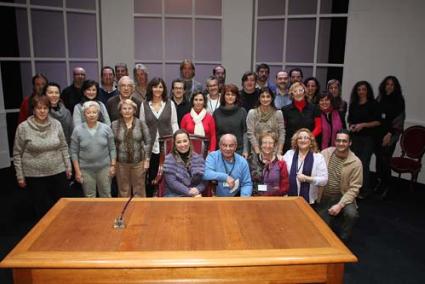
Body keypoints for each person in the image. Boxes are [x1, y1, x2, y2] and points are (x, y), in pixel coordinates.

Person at [13, 95, 71, 219]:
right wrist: (20, 176)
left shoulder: (56, 124)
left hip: (58, 171)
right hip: (35, 175)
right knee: (42, 211)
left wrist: (68, 167)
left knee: (63, 208)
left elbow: (64, 147)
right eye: (39, 108)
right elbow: (17, 153)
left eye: (45, 108)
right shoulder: (23, 127)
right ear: (33, 110)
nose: (42, 111)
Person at [317, 129, 362, 241]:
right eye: (338, 140)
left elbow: (354, 189)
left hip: (343, 196)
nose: (341, 143)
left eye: (344, 141)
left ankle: (344, 236)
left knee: (351, 214)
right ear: (335, 141)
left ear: (350, 143)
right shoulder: (325, 153)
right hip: (325, 195)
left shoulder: (356, 163)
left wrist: (340, 205)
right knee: (322, 232)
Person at [140, 77, 179, 197]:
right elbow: (142, 125)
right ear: (151, 88)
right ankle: (152, 201)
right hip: (150, 147)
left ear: (164, 89)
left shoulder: (170, 103)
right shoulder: (144, 104)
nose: (158, 89)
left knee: (168, 174)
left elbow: (174, 123)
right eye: (155, 86)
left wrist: (176, 142)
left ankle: (166, 197)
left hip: (167, 147)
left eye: (160, 87)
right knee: (152, 176)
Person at [70, 101, 116, 198]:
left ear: (98, 114)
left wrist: (113, 166)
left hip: (104, 168)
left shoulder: (106, 128)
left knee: (106, 195)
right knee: (89, 196)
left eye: (94, 112)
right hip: (85, 170)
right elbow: (73, 152)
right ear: (84, 114)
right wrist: (77, 171)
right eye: (88, 112)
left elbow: (112, 148)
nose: (91, 115)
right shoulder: (77, 130)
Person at [348, 80, 381, 199]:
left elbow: (378, 122)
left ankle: (365, 190)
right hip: (355, 138)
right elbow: (350, 120)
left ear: (368, 91)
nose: (361, 92)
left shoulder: (373, 104)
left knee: (363, 163)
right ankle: (354, 189)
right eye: (359, 89)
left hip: (368, 138)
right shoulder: (354, 104)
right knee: (354, 163)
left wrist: (363, 125)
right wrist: (352, 126)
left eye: (364, 89)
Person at [111, 99, 151, 197]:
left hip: (139, 162)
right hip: (121, 163)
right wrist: (113, 163)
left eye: (130, 108)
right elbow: (112, 145)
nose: (127, 111)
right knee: (123, 190)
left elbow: (148, 142)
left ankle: (140, 210)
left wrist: (147, 160)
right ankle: (124, 211)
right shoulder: (114, 124)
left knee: (139, 189)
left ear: (134, 110)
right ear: (120, 111)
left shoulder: (141, 124)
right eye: (124, 108)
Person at [374, 76, 405, 198]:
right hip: (378, 133)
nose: (389, 86)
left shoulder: (399, 100)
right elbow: (375, 114)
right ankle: (380, 182)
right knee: (378, 160)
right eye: (387, 84)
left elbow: (399, 120)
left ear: (395, 87)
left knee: (385, 160)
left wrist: (390, 134)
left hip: (390, 135)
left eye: (392, 84)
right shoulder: (380, 97)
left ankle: (387, 186)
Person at [283, 128, 328, 204]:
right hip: (289, 200)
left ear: (311, 142)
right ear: (296, 142)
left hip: (310, 201)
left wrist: (308, 179)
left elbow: (324, 180)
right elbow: (281, 173)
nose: (303, 140)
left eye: (306, 138)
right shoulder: (289, 154)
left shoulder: (318, 157)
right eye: (300, 138)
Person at [163, 129, 207, 197]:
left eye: (185, 141)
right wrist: (189, 192)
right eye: (179, 142)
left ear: (189, 141)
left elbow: (204, 180)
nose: (182, 144)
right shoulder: (169, 159)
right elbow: (172, 183)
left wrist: (198, 189)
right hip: (174, 195)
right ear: (174, 144)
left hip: (195, 194)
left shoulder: (199, 158)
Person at [282, 82, 321, 153]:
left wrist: (307, 138)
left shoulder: (314, 108)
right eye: (295, 91)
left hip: (309, 144)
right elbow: (282, 129)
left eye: (301, 90)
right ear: (292, 94)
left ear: (305, 92)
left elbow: (319, 127)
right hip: (290, 146)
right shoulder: (285, 110)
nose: (298, 93)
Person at [246, 87, 285, 155]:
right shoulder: (252, 113)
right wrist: (258, 153)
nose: (265, 99)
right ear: (259, 98)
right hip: (257, 152)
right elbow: (250, 133)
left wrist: (279, 152)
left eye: (268, 96)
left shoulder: (278, 113)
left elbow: (282, 133)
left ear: (272, 98)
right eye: (263, 97)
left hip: (274, 152)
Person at [213, 84, 248, 157]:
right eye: (227, 94)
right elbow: (214, 134)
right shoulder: (216, 113)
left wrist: (245, 150)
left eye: (233, 95)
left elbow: (245, 132)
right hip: (220, 151)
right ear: (223, 96)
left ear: (236, 97)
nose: (230, 97)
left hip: (238, 151)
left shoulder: (242, 111)